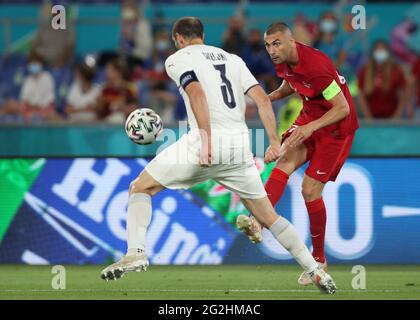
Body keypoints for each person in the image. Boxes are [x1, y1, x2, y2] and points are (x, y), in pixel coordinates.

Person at [100, 17, 336, 294]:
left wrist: (207, 142)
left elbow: (197, 93)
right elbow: (261, 98)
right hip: (239, 146)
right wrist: (273, 141)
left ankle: (136, 252)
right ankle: (315, 269)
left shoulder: (177, 58)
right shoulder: (232, 59)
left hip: (204, 142)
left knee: (140, 187)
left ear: (178, 39)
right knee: (268, 217)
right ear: (202, 34)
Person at [236, 22, 358, 286]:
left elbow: (343, 108)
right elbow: (290, 85)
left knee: (310, 190)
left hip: (336, 129)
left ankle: (319, 260)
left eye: (277, 43)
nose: (272, 50)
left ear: (292, 42)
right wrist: (263, 99)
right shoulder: (283, 62)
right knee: (283, 162)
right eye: (268, 45)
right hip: (310, 117)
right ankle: (258, 222)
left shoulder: (317, 68)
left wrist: (310, 128)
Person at [357, 41, 408, 119]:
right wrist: (368, 118)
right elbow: (361, 96)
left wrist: (396, 117)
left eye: (383, 50)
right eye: (378, 50)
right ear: (373, 53)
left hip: (392, 119)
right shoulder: (365, 71)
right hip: (371, 119)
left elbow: (402, 96)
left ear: (388, 53)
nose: (380, 52)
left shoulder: (396, 70)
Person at [96, 58, 138, 124]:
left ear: (118, 72)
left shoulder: (128, 89)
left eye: (109, 70)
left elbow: (134, 109)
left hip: (120, 124)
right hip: (103, 123)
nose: (106, 72)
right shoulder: (104, 89)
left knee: (118, 118)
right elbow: (99, 110)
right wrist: (99, 104)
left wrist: (121, 107)